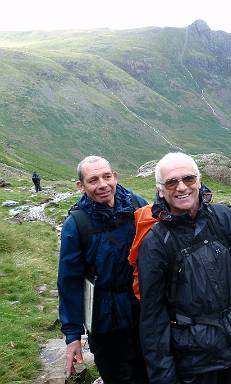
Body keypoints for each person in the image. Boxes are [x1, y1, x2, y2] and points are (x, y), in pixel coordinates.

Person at [137, 152, 231, 384]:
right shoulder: (155, 243)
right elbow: (153, 316)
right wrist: (163, 374)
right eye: (171, 182)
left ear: (199, 180)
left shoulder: (224, 218)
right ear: (160, 190)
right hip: (192, 355)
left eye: (188, 179)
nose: (182, 187)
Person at [57, 156, 148, 383]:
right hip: (104, 318)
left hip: (143, 310)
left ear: (115, 176)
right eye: (93, 180)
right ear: (81, 186)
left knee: (151, 373)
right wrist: (72, 336)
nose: (103, 185)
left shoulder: (138, 206)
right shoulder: (77, 224)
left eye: (107, 177)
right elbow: (69, 282)